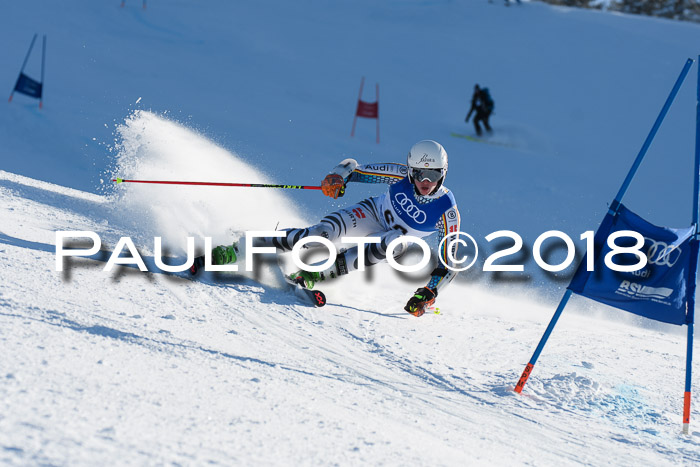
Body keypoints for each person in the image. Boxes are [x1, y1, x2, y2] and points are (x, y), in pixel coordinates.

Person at [191, 140, 462, 317]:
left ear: (444, 173)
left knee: (394, 241)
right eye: (419, 174)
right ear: (411, 171)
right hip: (371, 213)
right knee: (317, 236)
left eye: (434, 175)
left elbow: (449, 264)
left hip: (391, 240)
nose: (425, 181)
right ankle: (239, 247)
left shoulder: (447, 211)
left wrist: (429, 292)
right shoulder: (399, 173)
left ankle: (316, 274)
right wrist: (337, 178)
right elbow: (351, 168)